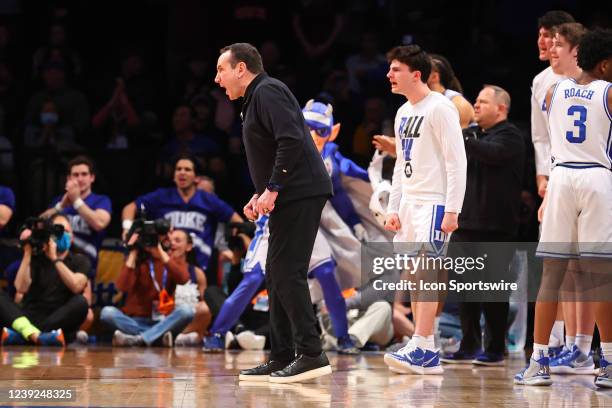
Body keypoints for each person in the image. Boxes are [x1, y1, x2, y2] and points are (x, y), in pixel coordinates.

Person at [215, 43, 333, 383]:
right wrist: (261, 192)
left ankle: (311, 353)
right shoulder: (255, 98)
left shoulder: (268, 90)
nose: (217, 78)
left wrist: (273, 189)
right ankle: (282, 355)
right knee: (276, 270)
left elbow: (292, 140)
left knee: (287, 271)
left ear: (241, 69)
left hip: (301, 191)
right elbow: (273, 149)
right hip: (289, 194)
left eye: (222, 70)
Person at [514, 28, 612, 389]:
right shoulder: (609, 91)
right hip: (597, 179)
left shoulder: (554, 91)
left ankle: (538, 361)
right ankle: (610, 364)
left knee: (552, 275)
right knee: (600, 275)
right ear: (604, 63)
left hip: (560, 178)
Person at [382, 44, 467, 375]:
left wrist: (452, 209)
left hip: (435, 201)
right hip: (410, 202)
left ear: (415, 74)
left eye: (395, 69)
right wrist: (394, 206)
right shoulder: (404, 112)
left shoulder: (441, 108)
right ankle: (426, 347)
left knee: (428, 271)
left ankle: (421, 341)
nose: (389, 75)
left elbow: (456, 162)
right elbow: (401, 162)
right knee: (416, 276)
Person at [440, 85, 524, 366]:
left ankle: (496, 347)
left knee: (492, 290)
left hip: (496, 227)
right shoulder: (474, 135)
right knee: (465, 291)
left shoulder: (511, 135)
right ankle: (469, 344)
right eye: (475, 101)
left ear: (501, 108)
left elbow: (492, 154)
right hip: (466, 224)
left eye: (483, 101)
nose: (476, 105)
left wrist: (460, 135)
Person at [122, 156, 242, 273]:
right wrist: (127, 228)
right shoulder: (161, 196)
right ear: (174, 176)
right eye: (178, 169)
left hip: (200, 268)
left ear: (196, 178)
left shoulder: (208, 200)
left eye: (187, 169)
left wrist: (233, 245)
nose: (182, 172)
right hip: (166, 265)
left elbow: (237, 221)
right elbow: (130, 207)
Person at [1, 214, 89, 346]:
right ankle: (37, 336)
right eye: (57, 231)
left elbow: (77, 286)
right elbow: (21, 287)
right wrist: (27, 253)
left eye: (66, 231)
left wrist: (55, 258)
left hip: (58, 319)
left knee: (81, 302)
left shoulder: (80, 260)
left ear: (72, 238)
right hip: (30, 317)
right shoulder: (37, 258)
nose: (62, 234)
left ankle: (26, 336)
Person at [99, 230, 194, 347]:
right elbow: (122, 287)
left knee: (187, 311)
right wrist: (134, 252)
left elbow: (183, 279)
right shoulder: (138, 260)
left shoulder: (170, 261)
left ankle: (139, 339)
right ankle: (156, 338)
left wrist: (159, 251)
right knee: (107, 313)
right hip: (134, 321)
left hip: (163, 320)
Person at [169, 229, 212, 346]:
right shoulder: (160, 268)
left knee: (205, 308)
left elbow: (204, 303)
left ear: (188, 246)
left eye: (177, 240)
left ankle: (182, 335)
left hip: (189, 321)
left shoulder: (197, 273)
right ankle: (179, 337)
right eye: (170, 240)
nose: (172, 243)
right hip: (165, 317)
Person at [427, 54, 475, 129]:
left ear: (434, 77)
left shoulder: (458, 104)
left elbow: (458, 139)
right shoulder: (420, 103)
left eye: (421, 72)